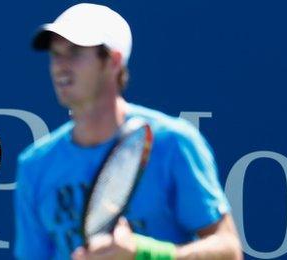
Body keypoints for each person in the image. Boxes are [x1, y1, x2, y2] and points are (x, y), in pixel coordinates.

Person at [14, 3, 242, 260]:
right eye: (55, 54)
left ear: (113, 61)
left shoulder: (174, 143)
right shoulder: (34, 164)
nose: (59, 66)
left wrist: (143, 253)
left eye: (75, 52)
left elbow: (228, 250)